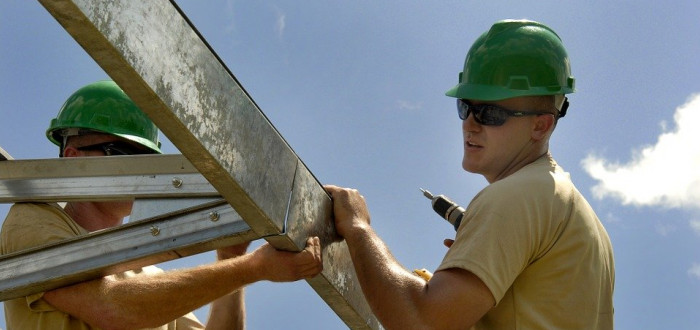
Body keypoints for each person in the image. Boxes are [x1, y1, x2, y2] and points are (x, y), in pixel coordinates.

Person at [325, 19, 615, 329]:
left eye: (490, 113)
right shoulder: (576, 215)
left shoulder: (518, 197)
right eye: (466, 107)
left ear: (540, 125)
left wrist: (357, 228)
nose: (471, 124)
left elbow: (422, 323)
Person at [0, 80, 323, 329]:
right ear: (73, 159)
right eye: (124, 154)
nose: (141, 172)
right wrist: (251, 268)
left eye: (147, 160)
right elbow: (109, 306)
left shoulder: (149, 275)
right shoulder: (32, 219)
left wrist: (230, 259)